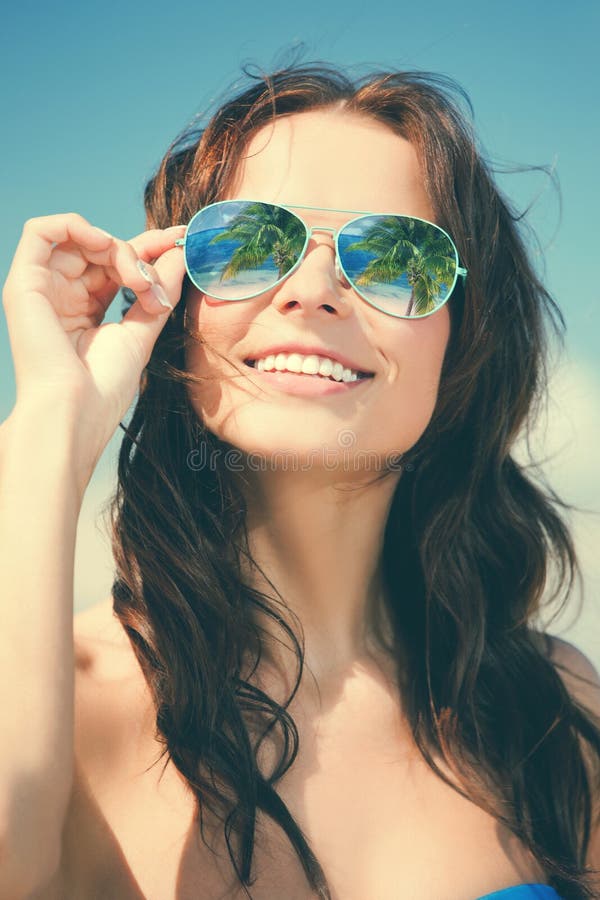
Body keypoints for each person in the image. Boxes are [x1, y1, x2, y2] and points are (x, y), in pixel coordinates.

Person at [1, 62, 599, 900]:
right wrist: (50, 424)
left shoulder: (549, 712)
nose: (313, 292)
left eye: (396, 258)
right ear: (171, 295)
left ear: (465, 337)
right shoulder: (62, 706)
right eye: (247, 241)